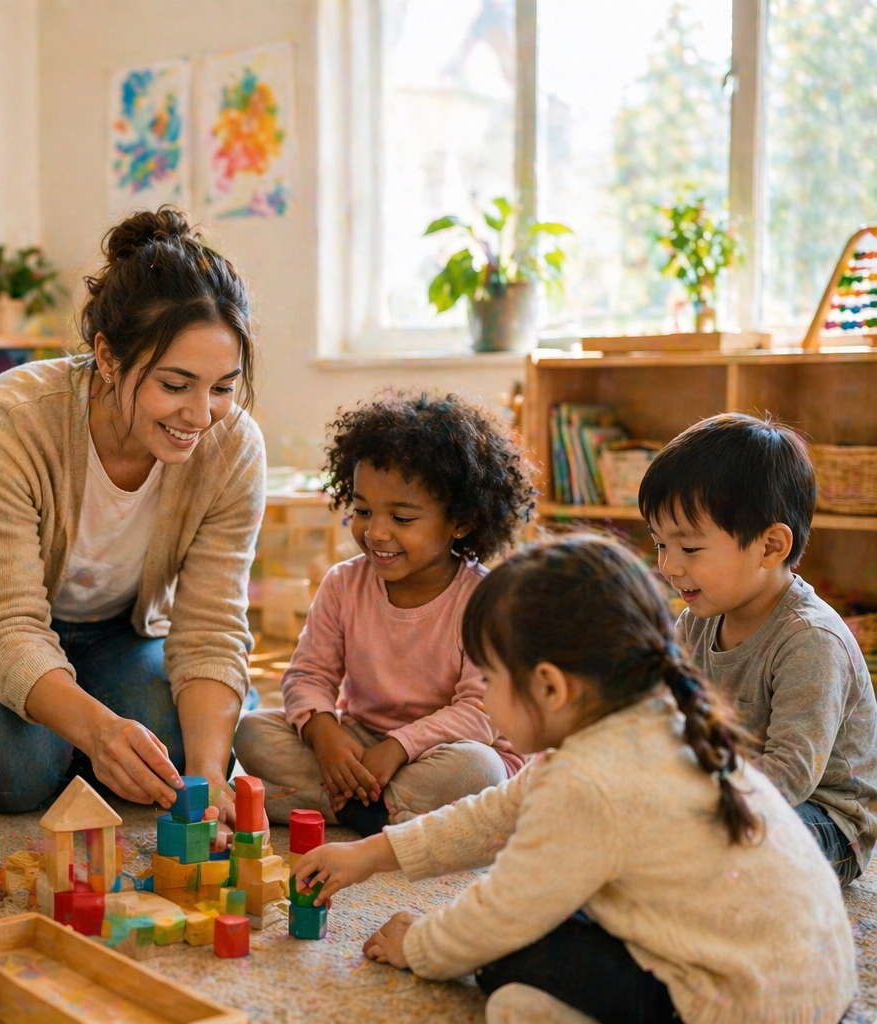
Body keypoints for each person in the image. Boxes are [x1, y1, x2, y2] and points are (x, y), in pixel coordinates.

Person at [292, 535, 854, 1024]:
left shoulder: (590, 781)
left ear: (550, 688)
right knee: (552, 914)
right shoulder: (645, 725)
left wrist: (418, 945)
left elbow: (503, 911)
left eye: (491, 681)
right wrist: (371, 854)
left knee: (506, 954)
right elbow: (494, 814)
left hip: (747, 1005)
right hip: (804, 983)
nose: (484, 700)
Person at [0, 207, 265, 820]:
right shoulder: (10, 419)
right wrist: (97, 731)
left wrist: (206, 777)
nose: (201, 415)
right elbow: (8, 625)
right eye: (175, 385)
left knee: (178, 756)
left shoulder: (233, 448)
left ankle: (74, 740)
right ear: (108, 358)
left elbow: (211, 626)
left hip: (118, 634)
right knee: (16, 772)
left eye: (222, 387)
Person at [236, 393, 533, 836]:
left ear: (461, 521)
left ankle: (334, 805)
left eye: (402, 518)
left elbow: (480, 713)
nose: (375, 532)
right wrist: (325, 733)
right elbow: (308, 676)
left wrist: (398, 747)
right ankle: (387, 813)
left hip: (449, 751)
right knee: (252, 732)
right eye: (363, 511)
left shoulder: (486, 600)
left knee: (479, 770)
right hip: (362, 746)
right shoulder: (343, 584)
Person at [640, 412, 877, 886]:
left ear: (770, 547)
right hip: (728, 790)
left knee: (721, 850)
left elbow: (790, 775)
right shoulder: (695, 622)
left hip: (824, 819)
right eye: (660, 545)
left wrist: (695, 804)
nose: (669, 566)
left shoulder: (810, 640)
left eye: (690, 549)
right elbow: (667, 717)